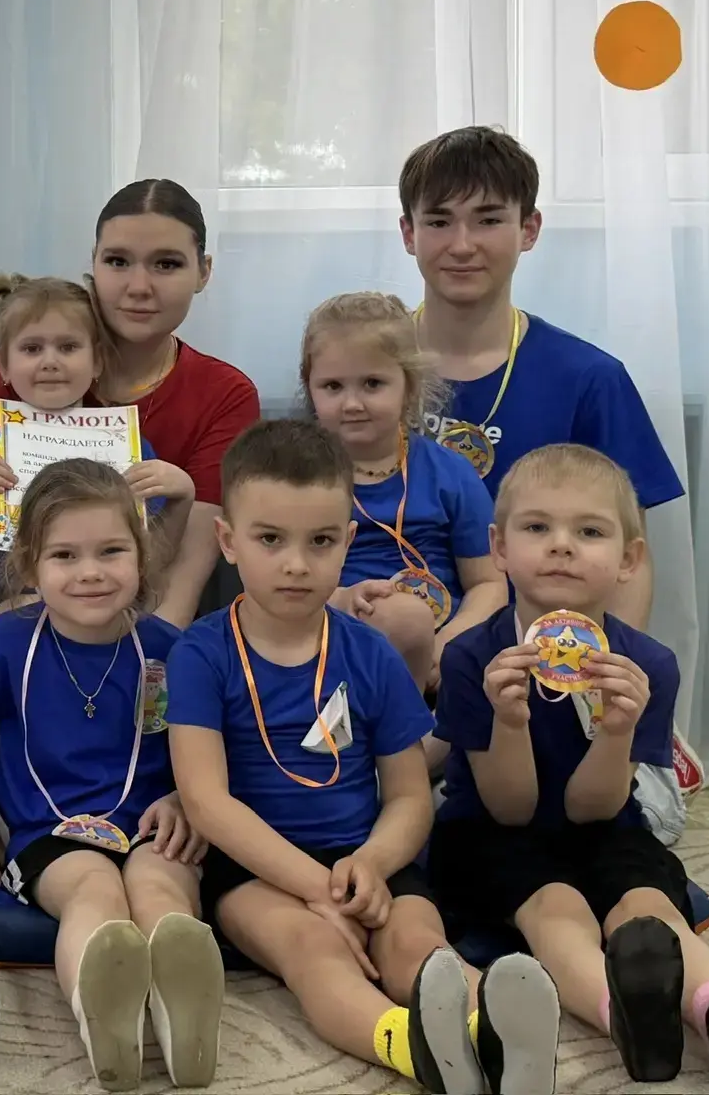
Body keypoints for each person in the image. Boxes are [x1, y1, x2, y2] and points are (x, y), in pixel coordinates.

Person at [168, 419, 561, 1093]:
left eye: (320, 541)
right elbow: (207, 803)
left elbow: (407, 795)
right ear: (228, 541)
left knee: (419, 944)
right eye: (270, 539)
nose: (297, 563)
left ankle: (500, 1033)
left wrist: (374, 864)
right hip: (256, 870)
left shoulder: (370, 651)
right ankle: (414, 1050)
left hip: (368, 857)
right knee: (316, 949)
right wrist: (318, 889)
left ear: (348, 543)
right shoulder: (200, 654)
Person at [430, 443, 709, 1091]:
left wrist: (617, 730)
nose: (561, 545)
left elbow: (595, 809)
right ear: (499, 548)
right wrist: (509, 722)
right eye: (537, 527)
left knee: (648, 908)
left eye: (589, 532)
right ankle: (624, 1018)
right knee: (558, 910)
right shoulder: (472, 658)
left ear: (629, 560)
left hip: (604, 823)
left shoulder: (646, 666)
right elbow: (509, 809)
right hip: (492, 834)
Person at [0, 459, 223, 1091]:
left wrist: (184, 799)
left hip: (154, 824)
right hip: (50, 834)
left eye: (111, 551)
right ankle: (102, 1012)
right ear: (30, 567)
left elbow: (205, 748)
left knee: (160, 888)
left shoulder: (172, 648)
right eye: (65, 555)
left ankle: (182, 1007)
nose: (90, 572)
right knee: (93, 891)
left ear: (142, 557)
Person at [0, 180, 258, 629]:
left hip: (134, 631)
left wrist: (139, 660)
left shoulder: (225, 394)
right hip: (6, 625)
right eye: (117, 261)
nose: (139, 287)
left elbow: (181, 580)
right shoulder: (29, 362)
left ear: (203, 272)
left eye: (166, 264)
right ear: (94, 262)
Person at [398, 127, 684, 630]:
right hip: (384, 652)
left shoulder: (590, 380)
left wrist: (607, 670)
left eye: (488, 220)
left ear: (529, 230)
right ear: (408, 233)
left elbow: (626, 562)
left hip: (542, 658)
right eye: (439, 221)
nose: (462, 245)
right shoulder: (360, 371)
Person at [0, 273, 193, 624]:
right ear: (3, 365)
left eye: (68, 347)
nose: (50, 361)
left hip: (106, 608)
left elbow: (153, 562)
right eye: (31, 348)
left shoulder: (129, 447)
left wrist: (181, 497)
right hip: (15, 611)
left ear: (97, 361)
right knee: (17, 613)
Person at [301, 292, 501, 691]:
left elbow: (490, 584)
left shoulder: (450, 473)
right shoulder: (298, 480)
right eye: (332, 386)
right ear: (310, 390)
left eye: (373, 384)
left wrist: (450, 644)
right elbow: (276, 578)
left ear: (409, 387)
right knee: (397, 620)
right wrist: (338, 600)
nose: (352, 403)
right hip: (331, 639)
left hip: (443, 660)